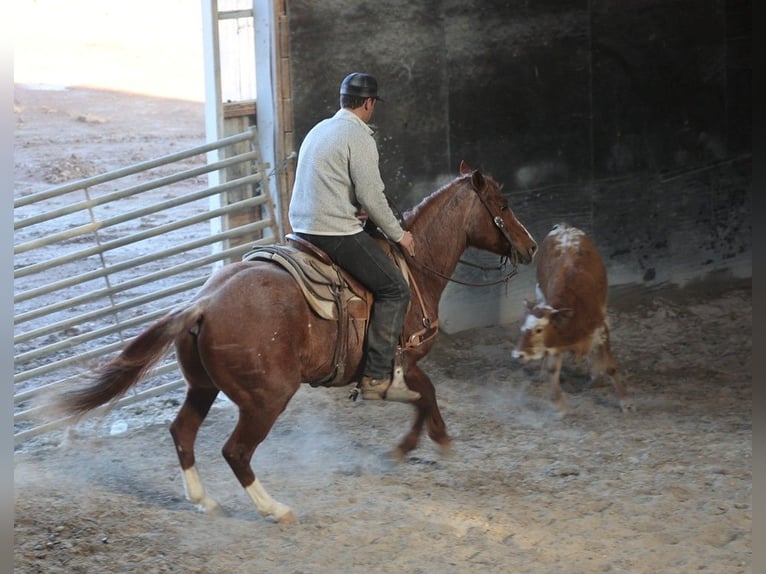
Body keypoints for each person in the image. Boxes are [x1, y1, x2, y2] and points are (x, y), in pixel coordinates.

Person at [287, 72, 420, 403]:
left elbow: (329, 184)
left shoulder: (320, 129)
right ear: (369, 103)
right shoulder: (358, 136)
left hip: (301, 228)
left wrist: (350, 207)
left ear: (342, 100)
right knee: (394, 288)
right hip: (332, 232)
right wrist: (400, 234)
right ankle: (376, 376)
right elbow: (373, 197)